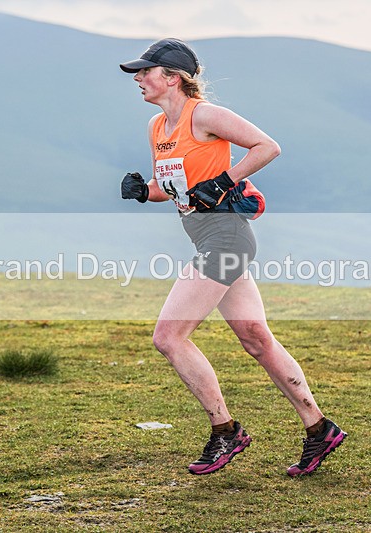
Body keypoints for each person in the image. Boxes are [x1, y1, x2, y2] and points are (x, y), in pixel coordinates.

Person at [119, 38, 346, 476]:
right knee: (256, 340)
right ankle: (319, 428)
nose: (138, 78)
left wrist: (225, 180)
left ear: (173, 77)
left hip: (226, 239)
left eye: (146, 71)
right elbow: (178, 187)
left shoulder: (203, 114)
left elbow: (266, 146)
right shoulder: (156, 126)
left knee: (168, 337)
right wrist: (145, 192)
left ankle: (226, 431)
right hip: (206, 237)